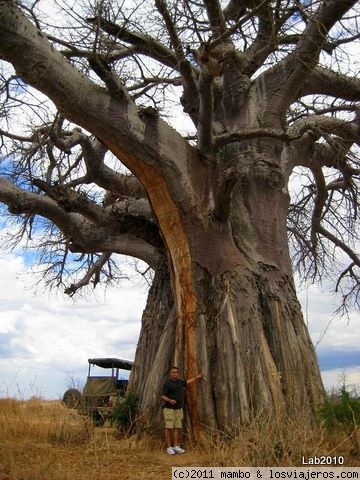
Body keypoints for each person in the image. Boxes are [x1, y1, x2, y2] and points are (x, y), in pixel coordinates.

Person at [161, 366, 202, 455]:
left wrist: (196, 378)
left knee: (177, 427)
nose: (175, 374)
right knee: (168, 428)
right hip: (169, 409)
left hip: (178, 409)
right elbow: (163, 396)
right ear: (170, 374)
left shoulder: (180, 382)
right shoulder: (167, 384)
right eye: (173, 372)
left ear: (178, 373)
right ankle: (169, 447)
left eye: (176, 372)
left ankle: (176, 446)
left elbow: (187, 382)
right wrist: (169, 400)